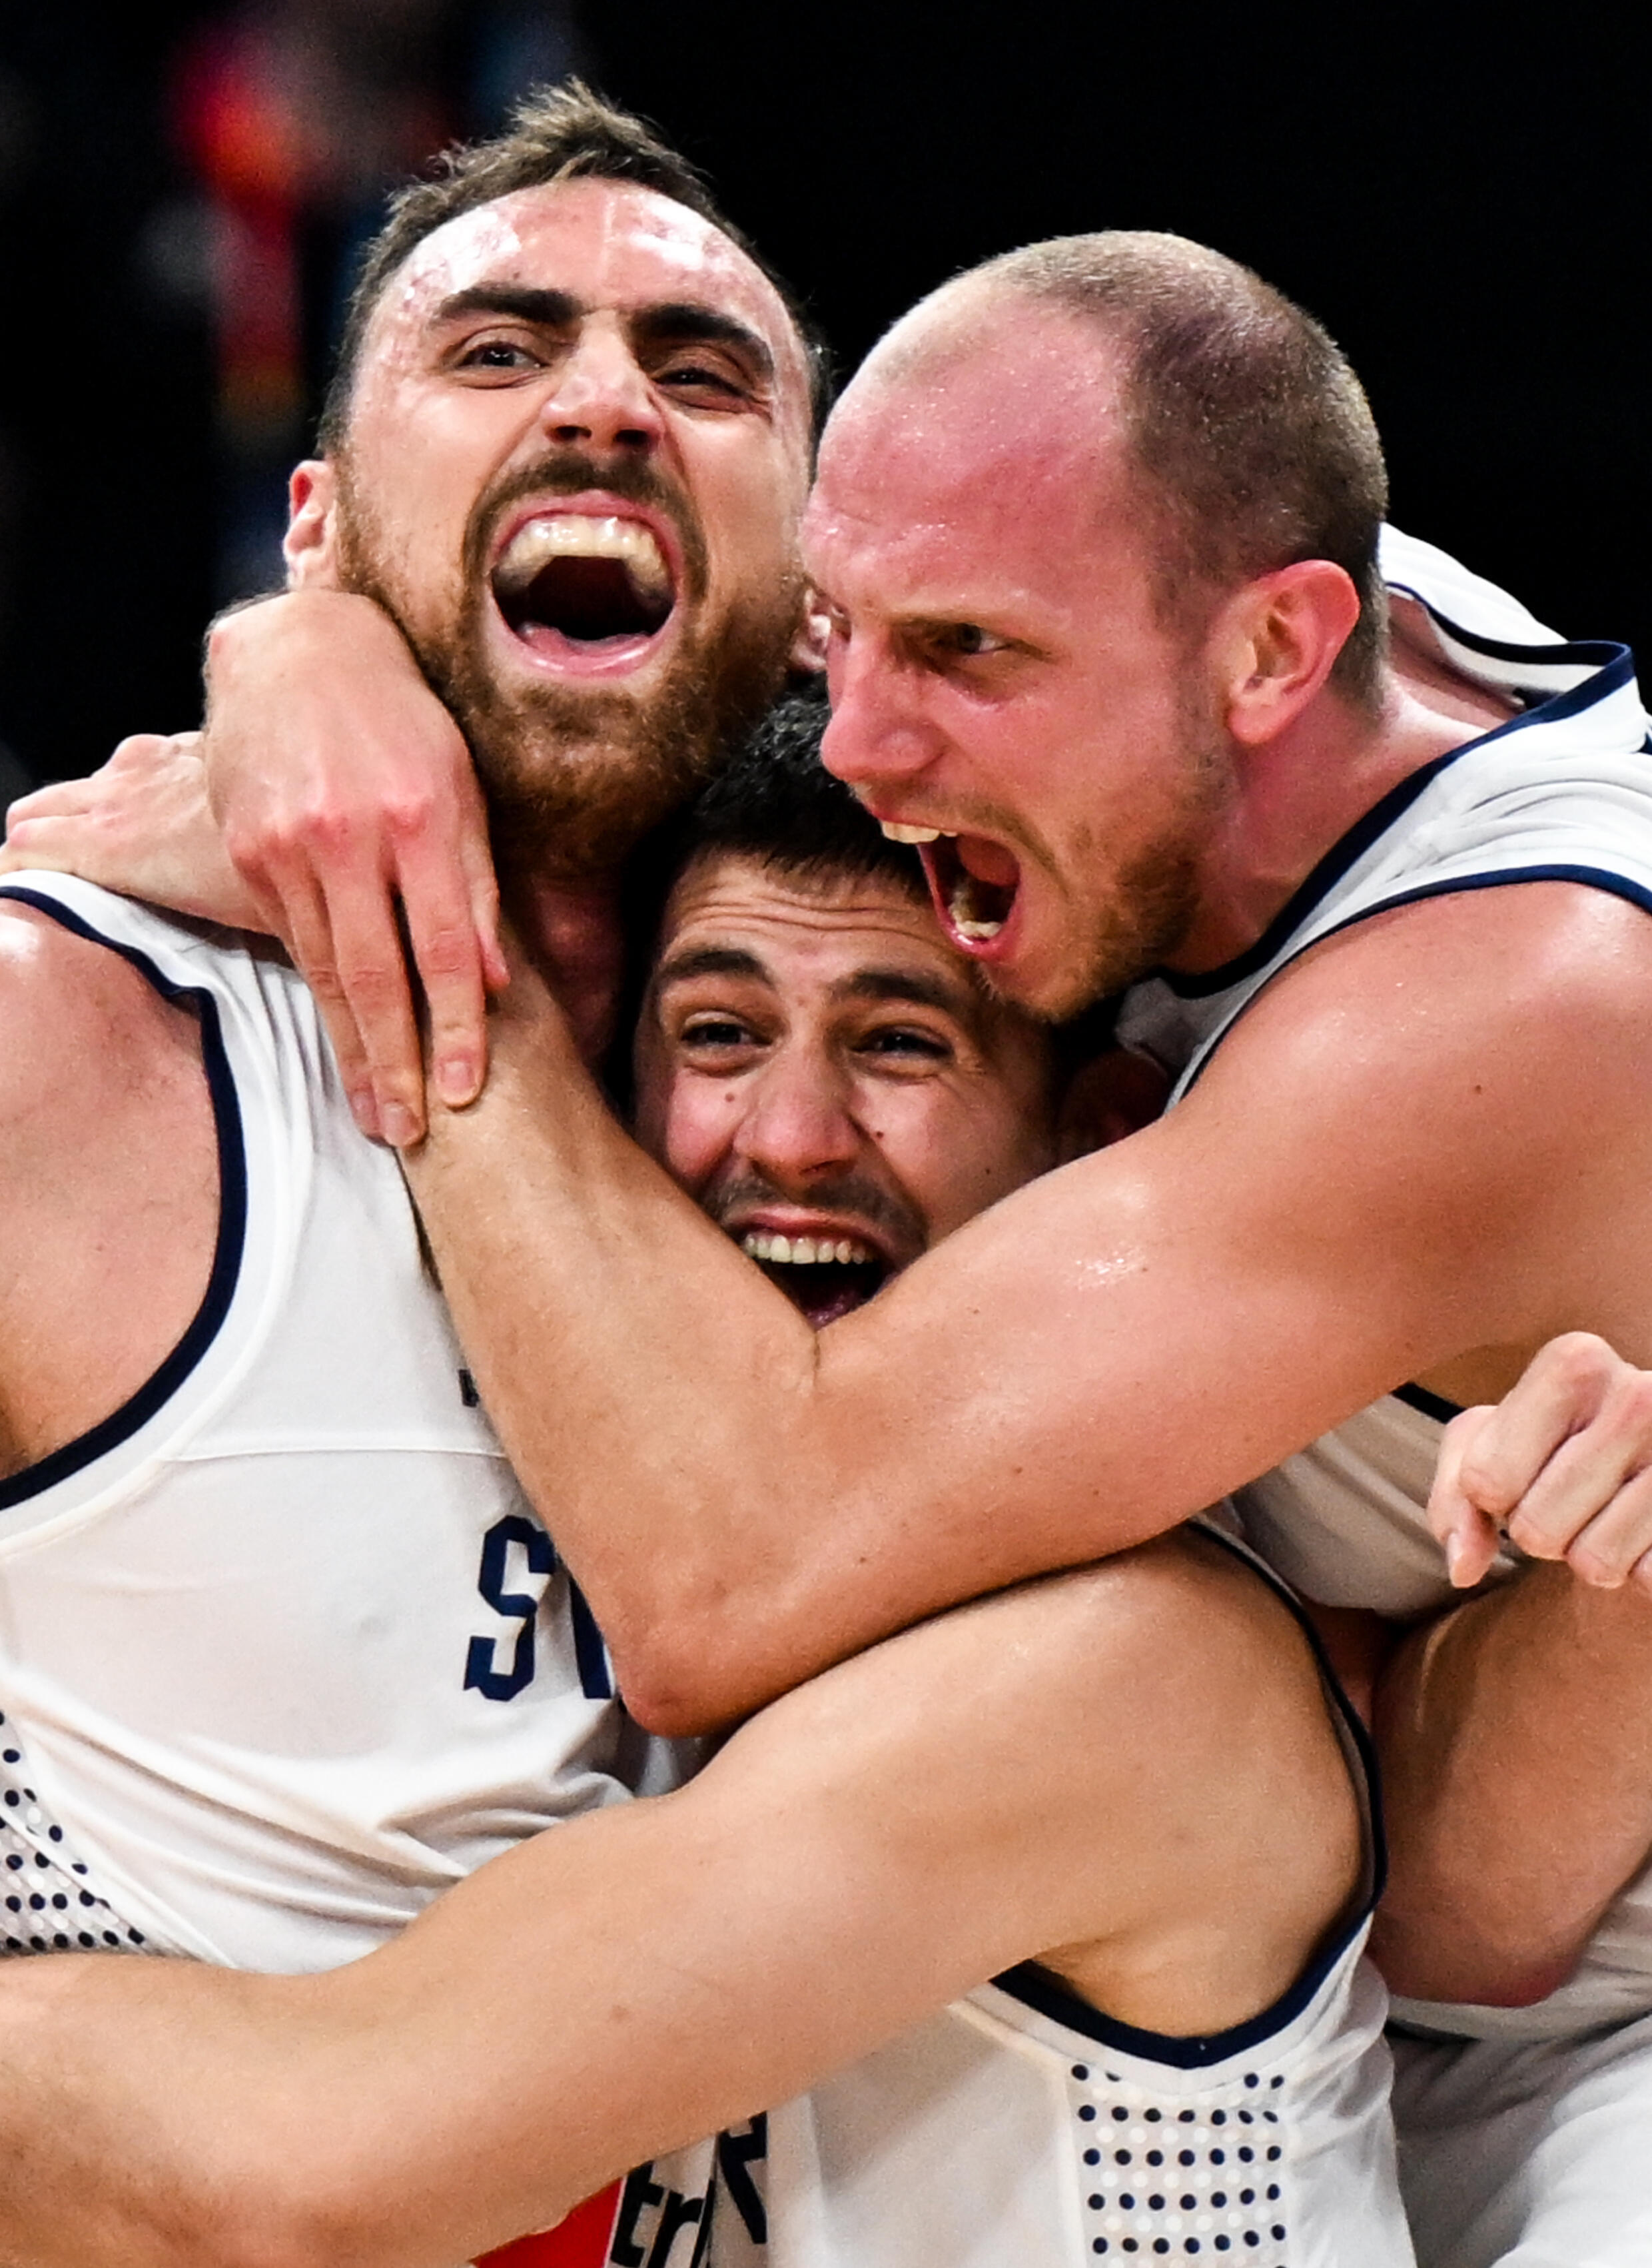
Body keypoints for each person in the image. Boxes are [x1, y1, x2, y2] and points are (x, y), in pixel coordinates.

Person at [70, 223, 1652, 2268]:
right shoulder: (1189, 597)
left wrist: (399, 889)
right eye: (842, 631)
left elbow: (729, 1567)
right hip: (1424, 1880)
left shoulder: (1507, 1003)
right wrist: (308, 655)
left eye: (964, 660)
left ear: (1273, 657)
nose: (865, 739)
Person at [0, 688, 1411, 2267]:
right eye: (721, 1035)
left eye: (899, 1041)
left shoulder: (1125, 1667)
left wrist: (400, 926)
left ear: (1091, 1138)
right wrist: (305, 666)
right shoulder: (691, 1637)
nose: (793, 1135)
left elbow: (298, 2173)